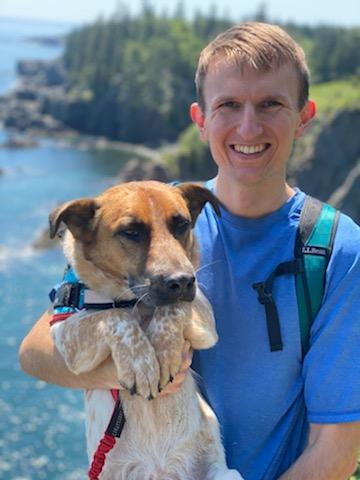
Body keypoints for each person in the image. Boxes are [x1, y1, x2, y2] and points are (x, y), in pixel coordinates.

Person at [19, 22, 360, 479]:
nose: (248, 126)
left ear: (304, 115)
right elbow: (36, 351)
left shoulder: (337, 251)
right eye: (229, 105)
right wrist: (136, 369)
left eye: (271, 104)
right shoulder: (154, 208)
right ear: (200, 119)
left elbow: (334, 453)